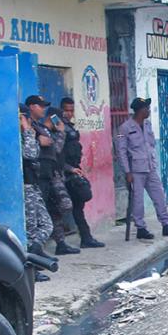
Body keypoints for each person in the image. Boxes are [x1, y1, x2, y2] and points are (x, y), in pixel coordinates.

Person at [115, 97, 168, 240]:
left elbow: (151, 145)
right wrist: (127, 172)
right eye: (147, 108)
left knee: (160, 196)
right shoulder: (125, 128)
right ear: (140, 110)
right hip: (135, 170)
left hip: (150, 167)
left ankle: (166, 225)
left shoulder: (148, 125)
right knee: (138, 201)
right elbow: (121, 152)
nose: (149, 111)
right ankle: (141, 228)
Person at [25, 95, 79, 256]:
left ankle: (58, 243)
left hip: (50, 175)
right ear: (32, 107)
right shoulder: (31, 128)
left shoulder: (40, 128)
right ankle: (36, 250)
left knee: (58, 208)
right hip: (37, 177)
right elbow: (42, 150)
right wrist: (56, 134)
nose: (43, 109)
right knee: (36, 218)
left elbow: (53, 149)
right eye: (40, 106)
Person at [59, 97, 104, 248]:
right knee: (62, 207)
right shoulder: (58, 128)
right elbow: (56, 154)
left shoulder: (69, 127)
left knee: (79, 204)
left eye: (71, 110)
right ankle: (62, 242)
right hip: (62, 173)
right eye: (66, 110)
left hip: (73, 169)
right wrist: (69, 169)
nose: (69, 113)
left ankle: (86, 237)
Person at [19, 104, 55, 282]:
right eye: (23, 118)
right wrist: (27, 131)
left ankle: (35, 255)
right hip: (25, 187)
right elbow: (31, 153)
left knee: (46, 225)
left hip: (33, 185)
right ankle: (31, 269)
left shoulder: (28, 135)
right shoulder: (18, 136)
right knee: (31, 230)